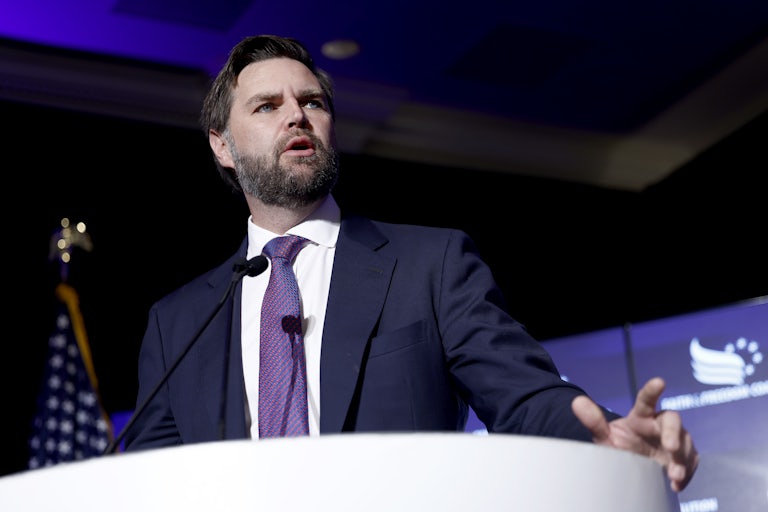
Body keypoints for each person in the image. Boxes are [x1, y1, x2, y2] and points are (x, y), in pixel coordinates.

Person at [123, 34, 698, 492]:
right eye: (268, 105)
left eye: (312, 102)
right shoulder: (177, 323)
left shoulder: (432, 264)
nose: (296, 116)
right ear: (222, 145)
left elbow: (523, 395)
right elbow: (146, 484)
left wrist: (606, 438)